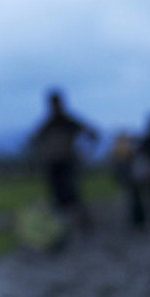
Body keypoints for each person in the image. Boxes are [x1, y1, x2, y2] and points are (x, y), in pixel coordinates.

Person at [31, 90, 98, 233]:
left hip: (67, 163)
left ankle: (83, 227)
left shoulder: (68, 121)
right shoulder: (49, 124)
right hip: (54, 165)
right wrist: (44, 155)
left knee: (72, 196)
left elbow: (93, 134)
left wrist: (85, 153)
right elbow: (34, 141)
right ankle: (61, 229)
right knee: (57, 198)